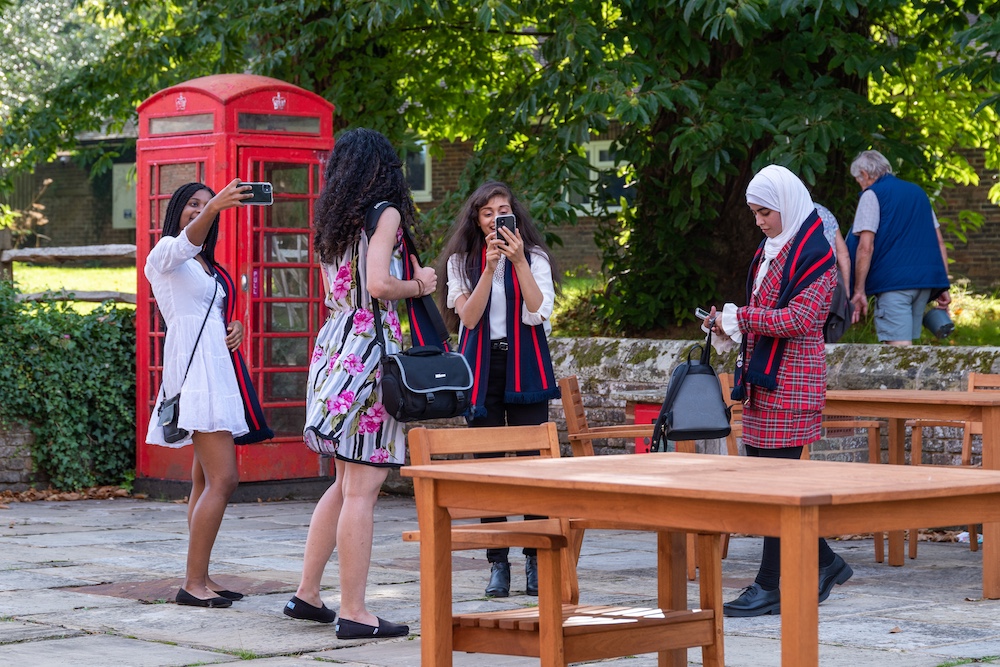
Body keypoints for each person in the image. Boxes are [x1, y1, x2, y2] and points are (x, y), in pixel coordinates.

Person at [284, 128, 436, 639]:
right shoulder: (383, 213)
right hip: (371, 350)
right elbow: (377, 285)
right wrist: (421, 284)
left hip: (336, 345)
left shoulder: (335, 220)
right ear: (384, 167)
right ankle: (354, 611)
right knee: (364, 488)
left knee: (345, 482)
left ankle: (308, 595)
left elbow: (344, 288)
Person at [704, 165, 853, 617]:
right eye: (753, 213)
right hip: (765, 380)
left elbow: (800, 320)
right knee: (771, 484)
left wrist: (739, 318)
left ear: (785, 205)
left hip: (794, 382)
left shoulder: (816, 255)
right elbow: (764, 310)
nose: (759, 221)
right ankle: (827, 563)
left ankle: (770, 585)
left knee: (775, 488)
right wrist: (726, 324)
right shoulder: (772, 250)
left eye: (764, 212)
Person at [145, 179, 273, 608]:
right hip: (195, 377)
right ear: (177, 210)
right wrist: (215, 207)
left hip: (219, 373)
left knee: (203, 480)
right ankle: (191, 584)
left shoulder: (206, 265)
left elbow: (210, 311)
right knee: (225, 479)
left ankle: (201, 576)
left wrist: (232, 327)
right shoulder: (164, 254)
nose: (198, 210)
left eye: (204, 204)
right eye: (192, 205)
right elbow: (184, 244)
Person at [439, 181, 561, 598]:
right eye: (487, 212)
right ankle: (497, 564)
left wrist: (519, 262)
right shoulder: (462, 262)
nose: (495, 219)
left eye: (503, 210)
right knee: (488, 468)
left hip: (525, 366)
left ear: (515, 216)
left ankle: (534, 559)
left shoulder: (536, 258)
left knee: (532, 468)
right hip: (481, 369)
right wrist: (490, 269)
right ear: (476, 219)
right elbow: (469, 320)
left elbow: (537, 311)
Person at [846, 150, 951, 345]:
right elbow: (939, 242)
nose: (859, 185)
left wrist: (858, 290)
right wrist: (942, 284)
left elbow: (865, 247)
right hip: (924, 283)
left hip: (895, 286)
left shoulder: (872, 195)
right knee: (908, 347)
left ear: (865, 175)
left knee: (898, 351)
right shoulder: (918, 193)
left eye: (857, 180)